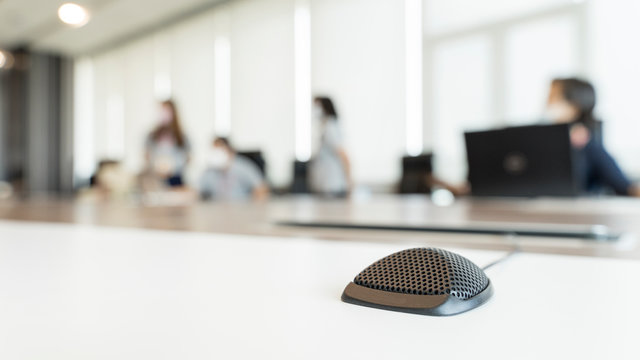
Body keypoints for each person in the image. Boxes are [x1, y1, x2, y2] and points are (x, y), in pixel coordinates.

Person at [545, 78, 640, 197]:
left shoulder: (587, 143)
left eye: (553, 97)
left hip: (576, 210)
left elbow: (623, 185)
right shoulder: (540, 141)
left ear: (575, 104)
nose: (547, 102)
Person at [200, 137, 269, 201]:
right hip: (216, 210)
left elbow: (261, 189)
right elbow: (195, 191)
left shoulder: (243, 167)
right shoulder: (210, 170)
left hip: (241, 209)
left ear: (230, 151)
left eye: (219, 150)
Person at [309, 96, 352, 197]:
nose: (314, 110)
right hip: (325, 184)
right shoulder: (325, 127)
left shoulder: (330, 127)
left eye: (316, 106)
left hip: (332, 185)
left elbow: (343, 154)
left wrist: (350, 182)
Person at [144, 100, 191, 188]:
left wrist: (174, 166)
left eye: (167, 110)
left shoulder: (182, 136)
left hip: (176, 179)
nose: (164, 113)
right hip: (156, 179)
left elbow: (188, 157)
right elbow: (146, 155)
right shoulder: (151, 136)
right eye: (162, 110)